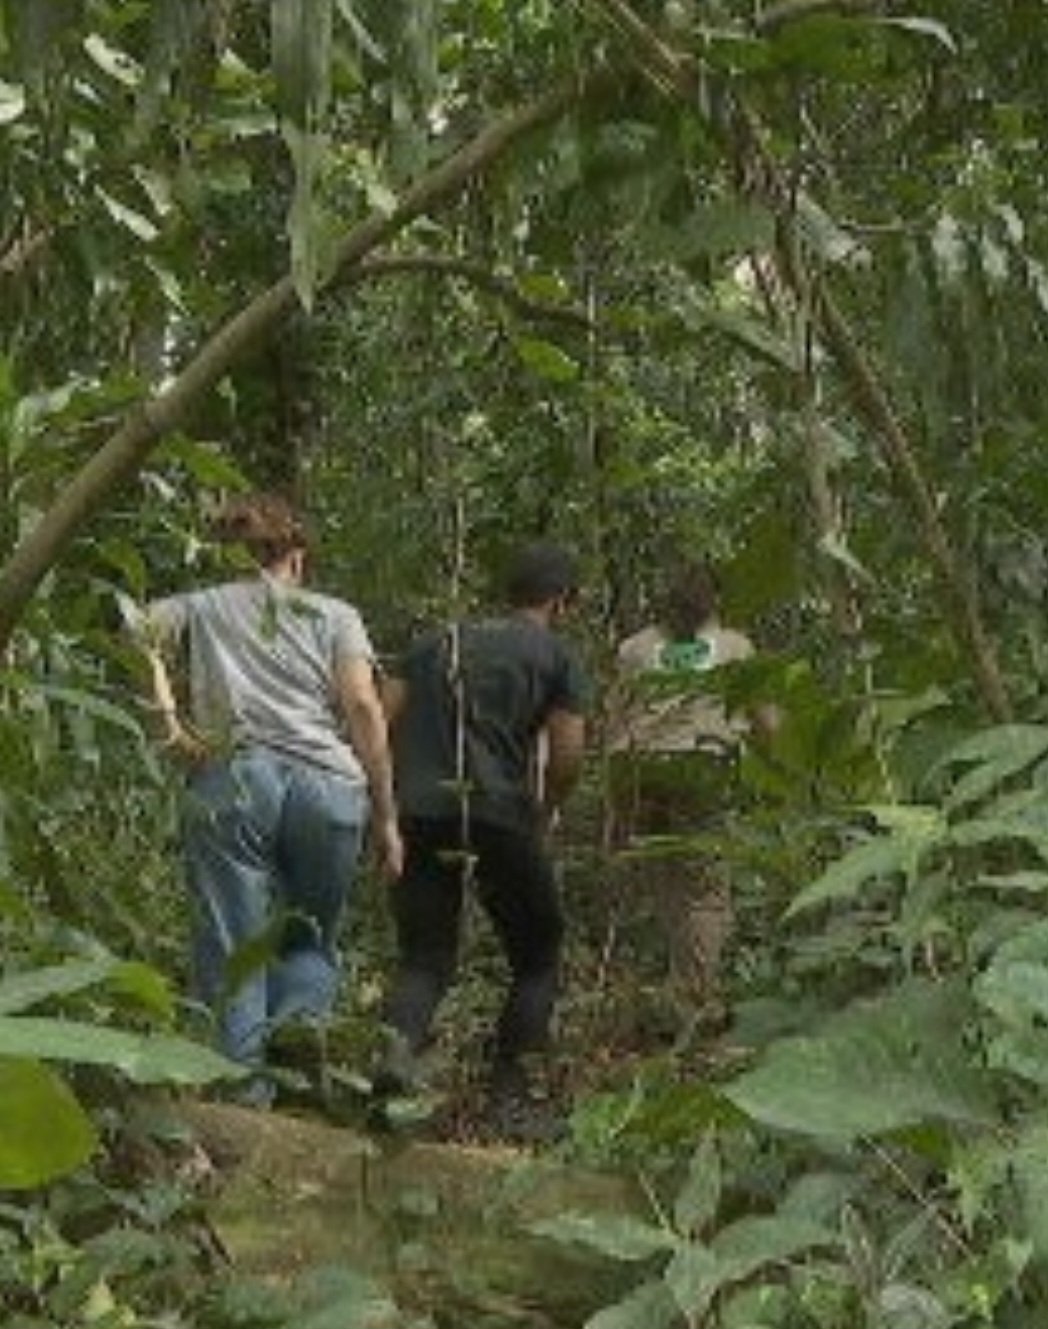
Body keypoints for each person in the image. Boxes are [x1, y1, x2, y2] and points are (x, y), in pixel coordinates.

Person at [138, 493, 402, 1099]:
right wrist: (387, 818)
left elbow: (136, 629)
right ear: (297, 556)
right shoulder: (334, 615)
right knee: (310, 937)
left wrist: (170, 723)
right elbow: (362, 706)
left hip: (235, 776)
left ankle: (243, 1097)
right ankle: (301, 1087)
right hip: (331, 787)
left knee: (235, 939)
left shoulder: (201, 605)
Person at [378, 543, 587, 1126]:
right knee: (538, 952)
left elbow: (381, 716)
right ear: (562, 601)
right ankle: (510, 1094)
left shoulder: (431, 644)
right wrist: (545, 809)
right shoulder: (555, 655)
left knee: (425, 953)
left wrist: (386, 805)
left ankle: (392, 1059)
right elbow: (568, 752)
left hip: (419, 810)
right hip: (500, 812)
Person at [610, 558, 775, 1039]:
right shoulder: (734, 647)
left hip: (643, 767)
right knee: (706, 891)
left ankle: (681, 990)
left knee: (668, 880)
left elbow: (618, 718)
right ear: (715, 601)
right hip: (700, 766)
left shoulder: (635, 649)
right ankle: (696, 999)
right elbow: (765, 721)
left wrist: (617, 795)